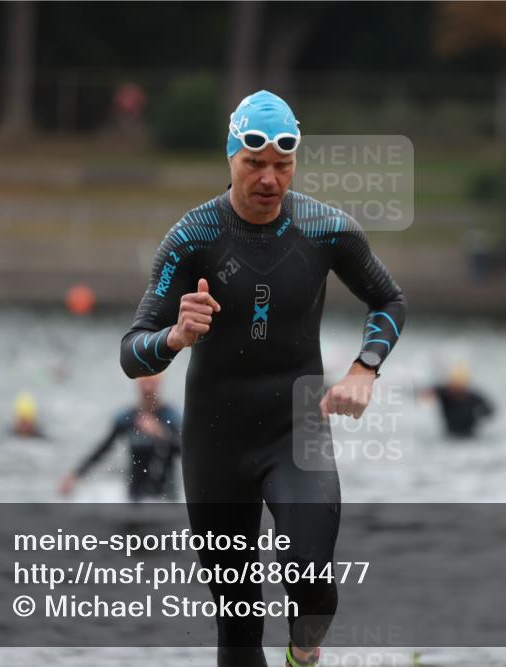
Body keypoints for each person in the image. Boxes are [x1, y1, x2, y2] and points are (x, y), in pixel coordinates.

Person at [120, 90, 407, 667]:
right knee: (239, 620)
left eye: (283, 165)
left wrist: (364, 369)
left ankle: (304, 654)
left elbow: (388, 299)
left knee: (311, 578)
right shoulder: (192, 236)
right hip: (215, 439)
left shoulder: (328, 229)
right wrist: (175, 337)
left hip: (294, 427)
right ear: (231, 159)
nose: (270, 179)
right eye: (255, 164)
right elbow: (133, 353)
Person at [59, 375, 181, 501]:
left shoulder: (171, 417)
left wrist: (161, 433)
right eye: (144, 383)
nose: (148, 388)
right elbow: (103, 449)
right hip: (136, 497)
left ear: (159, 385)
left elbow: (185, 452)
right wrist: (75, 475)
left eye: (152, 383)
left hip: (166, 496)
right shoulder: (128, 417)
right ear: (137, 386)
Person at [422, 363, 494, 438]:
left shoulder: (473, 397)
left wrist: (481, 412)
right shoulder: (445, 394)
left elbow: (490, 410)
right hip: (451, 434)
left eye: (460, 386)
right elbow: (429, 391)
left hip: (470, 434)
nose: (457, 390)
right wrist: (425, 394)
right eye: (455, 386)